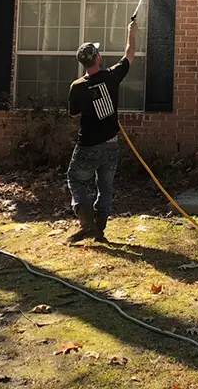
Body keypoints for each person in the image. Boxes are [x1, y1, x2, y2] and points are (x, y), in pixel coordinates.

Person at [66, 19, 137, 243]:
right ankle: (98, 231)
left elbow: (73, 112)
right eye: (98, 52)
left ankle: (87, 225)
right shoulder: (111, 76)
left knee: (75, 180)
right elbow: (130, 54)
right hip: (111, 144)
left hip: (88, 145)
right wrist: (130, 32)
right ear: (97, 58)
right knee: (105, 188)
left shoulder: (77, 87)